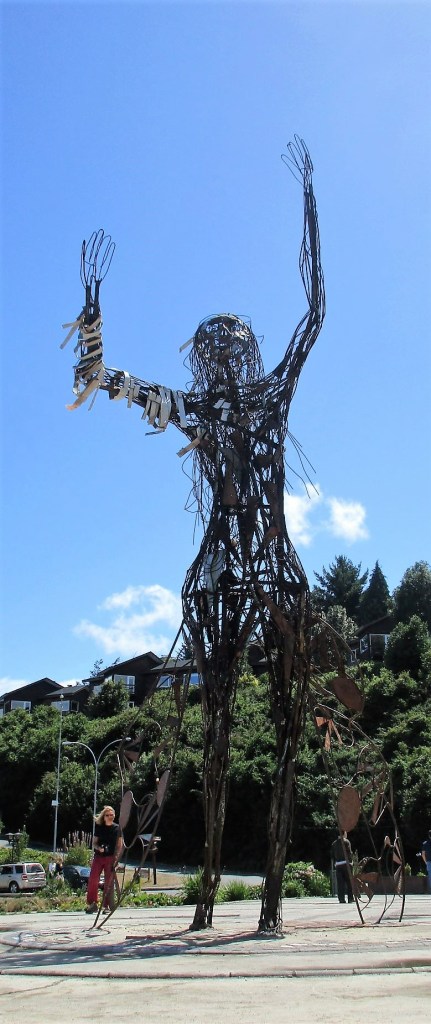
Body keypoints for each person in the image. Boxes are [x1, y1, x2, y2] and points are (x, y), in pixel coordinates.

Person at [86, 805, 123, 914]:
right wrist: (99, 848)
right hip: (99, 856)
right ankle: (92, 903)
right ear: (104, 817)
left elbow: (119, 845)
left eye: (112, 815)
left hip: (111, 857)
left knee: (108, 883)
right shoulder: (100, 827)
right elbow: (94, 843)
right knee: (93, 879)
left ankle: (106, 906)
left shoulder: (117, 829)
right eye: (107, 815)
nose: (110, 817)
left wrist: (116, 859)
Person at [331, 831, 354, 904]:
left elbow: (332, 855)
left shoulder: (334, 843)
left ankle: (341, 899)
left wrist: (335, 863)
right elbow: (349, 852)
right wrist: (351, 862)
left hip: (338, 864)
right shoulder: (346, 842)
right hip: (346, 864)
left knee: (340, 883)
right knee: (349, 882)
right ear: (344, 834)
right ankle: (350, 898)